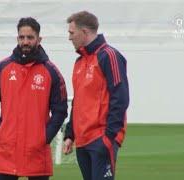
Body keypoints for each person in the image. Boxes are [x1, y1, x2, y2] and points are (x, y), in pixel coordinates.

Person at [0, 17, 68, 180]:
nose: (25, 41)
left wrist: (45, 137)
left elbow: (60, 110)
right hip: (7, 150)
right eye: (22, 37)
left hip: (37, 152)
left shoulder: (51, 72)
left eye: (30, 37)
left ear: (39, 39)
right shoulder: (2, 68)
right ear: (17, 38)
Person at [63, 11, 129, 180]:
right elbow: (78, 101)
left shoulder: (109, 55)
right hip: (82, 141)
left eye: (71, 32)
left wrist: (109, 137)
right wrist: (70, 134)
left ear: (84, 32)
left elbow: (120, 98)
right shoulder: (79, 62)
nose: (69, 37)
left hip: (101, 139)